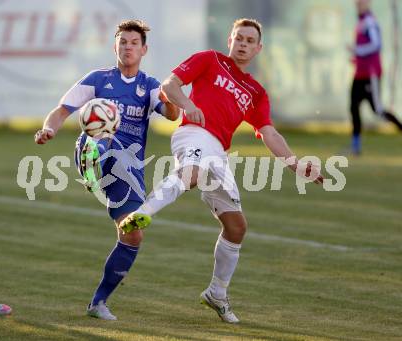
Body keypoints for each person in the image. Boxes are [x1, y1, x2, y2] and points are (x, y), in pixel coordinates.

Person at [120, 18, 324, 323]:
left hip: (218, 153)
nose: (243, 44)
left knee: (236, 227)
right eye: (239, 38)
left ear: (258, 48)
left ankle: (216, 293)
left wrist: (295, 164)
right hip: (193, 134)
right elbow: (169, 85)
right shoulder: (209, 60)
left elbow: (270, 133)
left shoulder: (256, 92)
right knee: (190, 173)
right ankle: (140, 215)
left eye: (249, 40)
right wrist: (188, 105)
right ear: (230, 39)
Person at [35, 20, 179, 320]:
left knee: (133, 234)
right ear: (115, 46)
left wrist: (170, 95)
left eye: (133, 43)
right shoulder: (98, 79)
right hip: (93, 148)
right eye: (122, 42)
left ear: (144, 49)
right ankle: (91, 165)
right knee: (104, 139)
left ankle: (98, 303)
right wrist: (49, 129)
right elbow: (62, 110)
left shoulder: (150, 86)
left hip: (128, 167)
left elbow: (171, 114)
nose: (127, 47)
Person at [347, 0, 402, 155]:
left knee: (377, 109)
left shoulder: (369, 21)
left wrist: (357, 50)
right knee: (353, 107)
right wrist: (356, 58)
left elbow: (376, 44)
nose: (358, 4)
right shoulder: (361, 21)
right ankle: (355, 144)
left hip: (370, 74)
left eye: (361, 2)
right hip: (359, 73)